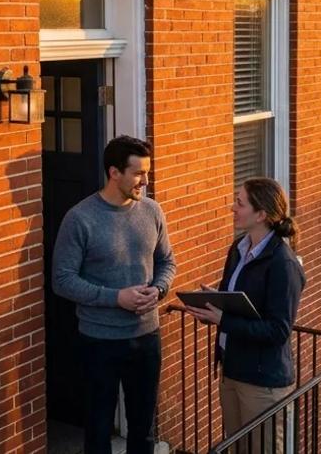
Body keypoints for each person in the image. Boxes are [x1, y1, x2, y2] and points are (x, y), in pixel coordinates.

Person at [52, 136, 175, 454]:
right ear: (114, 172)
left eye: (147, 173)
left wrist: (159, 289)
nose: (145, 182)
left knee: (143, 429)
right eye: (138, 173)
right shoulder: (80, 219)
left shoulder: (152, 211)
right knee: (98, 428)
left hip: (147, 337)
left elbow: (166, 261)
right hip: (99, 342)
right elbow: (62, 280)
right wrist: (115, 297)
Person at [184, 177, 305, 451]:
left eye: (240, 203)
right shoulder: (238, 249)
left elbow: (278, 331)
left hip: (262, 384)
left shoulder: (283, 264)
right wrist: (212, 301)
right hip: (232, 370)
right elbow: (236, 300)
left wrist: (223, 320)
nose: (232, 208)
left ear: (261, 214)